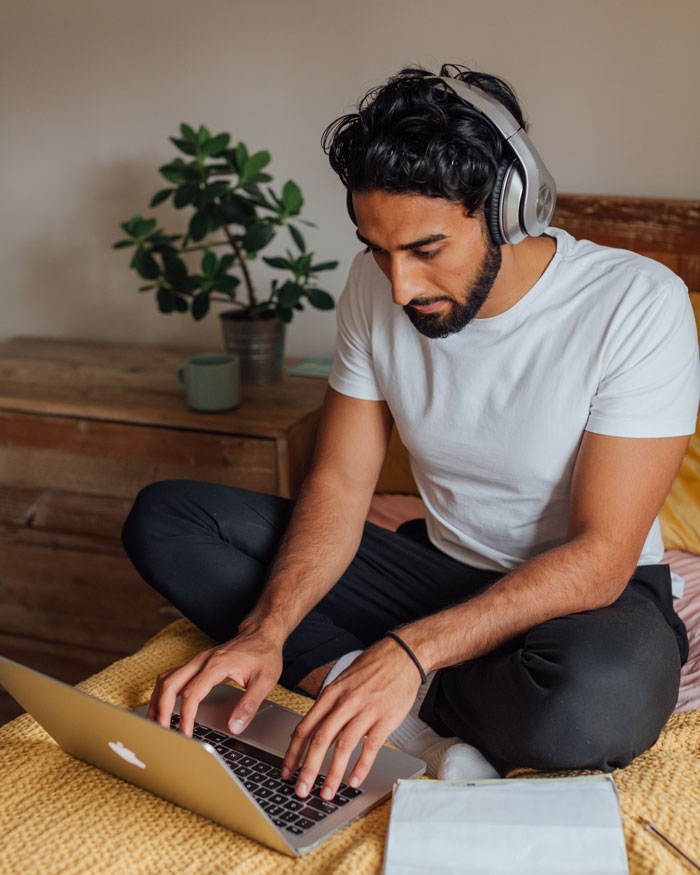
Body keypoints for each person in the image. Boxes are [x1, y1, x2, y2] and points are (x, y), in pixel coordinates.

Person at [122, 64, 700, 805]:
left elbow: (599, 557)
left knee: (596, 702)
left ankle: (372, 678)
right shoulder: (374, 290)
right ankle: (411, 722)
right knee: (169, 519)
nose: (400, 287)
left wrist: (409, 652)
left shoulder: (635, 302)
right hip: (435, 570)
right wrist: (268, 629)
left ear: (507, 207)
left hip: (586, 597)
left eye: (426, 250)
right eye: (377, 249)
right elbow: (338, 482)